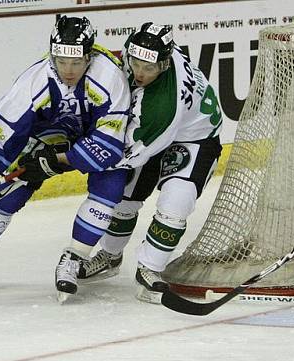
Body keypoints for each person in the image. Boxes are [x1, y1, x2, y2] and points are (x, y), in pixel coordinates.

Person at [0, 16, 131, 302]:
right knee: (8, 193)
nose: (68, 70)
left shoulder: (109, 77)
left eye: (77, 63)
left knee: (110, 188)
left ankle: (74, 258)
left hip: (96, 142)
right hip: (46, 138)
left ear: (89, 56)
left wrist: (62, 160)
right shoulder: (36, 79)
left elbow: (110, 138)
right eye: (61, 61)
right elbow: (2, 129)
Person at [80, 22, 223, 304]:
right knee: (125, 198)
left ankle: (150, 268)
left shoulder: (162, 108)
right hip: (157, 130)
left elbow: (129, 154)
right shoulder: (147, 50)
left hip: (196, 137)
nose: (140, 73)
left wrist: (75, 158)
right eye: (135, 63)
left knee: (176, 201)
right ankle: (109, 256)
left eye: (150, 68)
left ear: (165, 64)